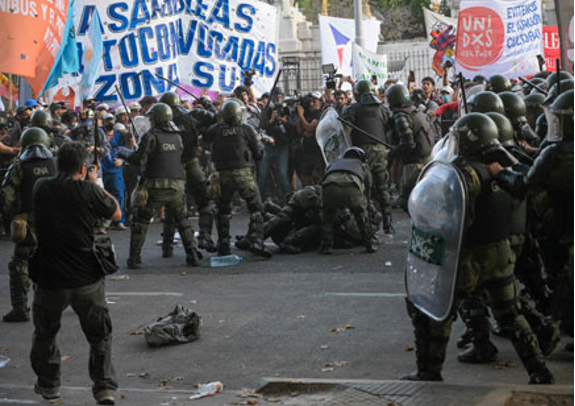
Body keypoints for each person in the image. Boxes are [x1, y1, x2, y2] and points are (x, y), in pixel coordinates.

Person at [404, 113, 554, 385]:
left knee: (435, 312)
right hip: (500, 253)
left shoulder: (463, 174)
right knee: (510, 315)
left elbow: (434, 211)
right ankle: (538, 370)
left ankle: (429, 370)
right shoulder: (502, 168)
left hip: (468, 256)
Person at [30, 142, 121, 405]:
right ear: (83, 167)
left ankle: (49, 385)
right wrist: (94, 182)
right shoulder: (89, 190)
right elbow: (116, 212)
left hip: (49, 275)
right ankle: (104, 387)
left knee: (45, 332)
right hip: (85, 275)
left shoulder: (41, 187)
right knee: (100, 335)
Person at [489, 90, 575, 354]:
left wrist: (500, 172)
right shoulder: (555, 152)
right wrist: (530, 153)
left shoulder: (559, 153)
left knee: (566, 296)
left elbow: (525, 186)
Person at [122, 103, 200, 269]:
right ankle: (192, 254)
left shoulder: (150, 136)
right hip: (177, 185)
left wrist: (123, 153)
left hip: (155, 185)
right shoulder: (177, 137)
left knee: (141, 221)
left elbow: (138, 159)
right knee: (183, 221)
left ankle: (134, 259)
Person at [0, 128, 57, 322]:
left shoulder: (19, 165)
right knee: (56, 260)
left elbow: (6, 194)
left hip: (27, 221)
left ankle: (20, 309)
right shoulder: (55, 163)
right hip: (54, 220)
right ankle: (56, 304)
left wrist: (10, 218)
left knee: (20, 263)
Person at [204, 99, 271, 258]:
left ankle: (224, 245)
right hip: (243, 174)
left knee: (223, 210)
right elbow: (258, 154)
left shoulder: (216, 130)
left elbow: (207, 138)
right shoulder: (246, 129)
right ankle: (257, 242)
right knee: (256, 208)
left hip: (222, 176)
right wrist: (259, 141)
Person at [159, 92, 217, 253]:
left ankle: (167, 245)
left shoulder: (160, 122)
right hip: (192, 163)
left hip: (173, 167)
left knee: (173, 205)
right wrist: (207, 104)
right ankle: (205, 236)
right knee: (205, 202)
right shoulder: (192, 116)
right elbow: (216, 119)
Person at [342, 80, 394, 234]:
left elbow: (345, 132)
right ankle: (388, 223)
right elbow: (390, 127)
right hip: (381, 151)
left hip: (361, 152)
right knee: (383, 187)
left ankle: (369, 224)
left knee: (364, 189)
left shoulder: (353, 109)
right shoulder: (382, 109)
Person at [386, 84, 436, 212]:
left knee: (409, 202)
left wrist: (390, 153)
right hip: (427, 159)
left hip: (414, 164)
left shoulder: (400, 116)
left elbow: (408, 144)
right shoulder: (415, 110)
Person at [319, 147, 376, 255]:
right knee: (361, 215)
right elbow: (368, 186)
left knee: (327, 217)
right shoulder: (363, 165)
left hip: (329, 187)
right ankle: (369, 244)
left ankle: (326, 246)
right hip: (352, 189)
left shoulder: (334, 163)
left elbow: (324, 178)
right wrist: (366, 203)